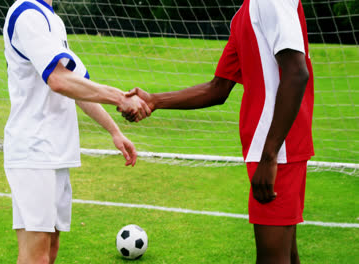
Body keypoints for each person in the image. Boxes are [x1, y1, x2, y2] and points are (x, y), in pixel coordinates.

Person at [120, 0, 314, 263]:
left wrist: (269, 155)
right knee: (285, 254)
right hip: (270, 148)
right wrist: (155, 101)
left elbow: (296, 73)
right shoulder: (243, 15)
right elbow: (218, 88)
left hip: (278, 150)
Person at [2, 0, 151, 263]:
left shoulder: (53, 21)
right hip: (34, 151)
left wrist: (114, 131)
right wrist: (120, 98)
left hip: (55, 151)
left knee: (51, 250)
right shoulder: (26, 13)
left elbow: (77, 87)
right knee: (36, 257)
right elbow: (58, 80)